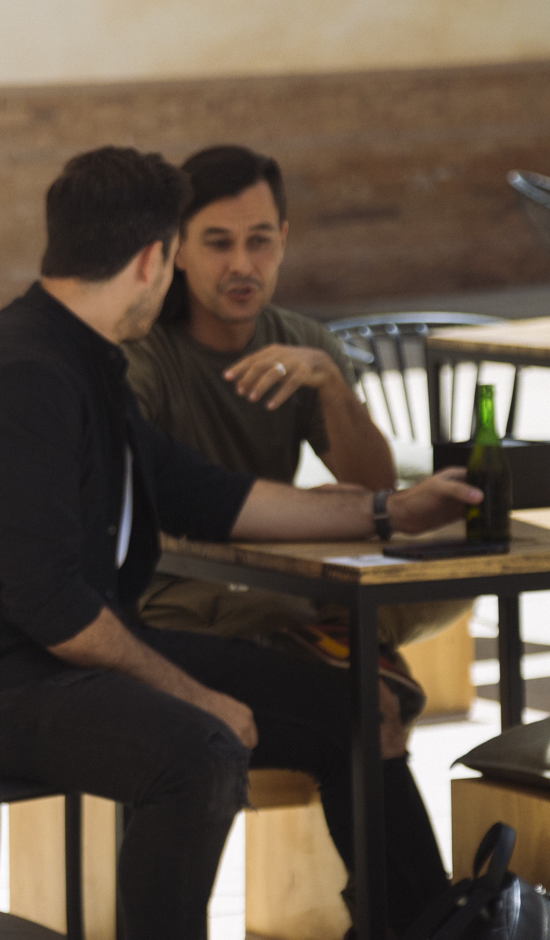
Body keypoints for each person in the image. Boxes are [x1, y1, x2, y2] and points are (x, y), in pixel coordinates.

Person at [0, 147, 480, 940]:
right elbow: (51, 605)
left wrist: (391, 511)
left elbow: (208, 494)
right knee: (198, 746)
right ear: (153, 259)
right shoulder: (24, 373)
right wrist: (194, 694)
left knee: (355, 704)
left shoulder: (82, 357)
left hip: (56, 661)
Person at [125, 144, 468, 760]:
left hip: (281, 588)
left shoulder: (303, 344)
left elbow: (375, 488)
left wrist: (331, 386)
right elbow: (141, 506)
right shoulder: (144, 354)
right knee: (369, 706)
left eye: (259, 241)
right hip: (177, 599)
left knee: (451, 583)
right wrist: (309, 511)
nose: (242, 264)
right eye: (218, 243)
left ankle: (338, 663)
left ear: (283, 240)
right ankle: (346, 674)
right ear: (177, 249)